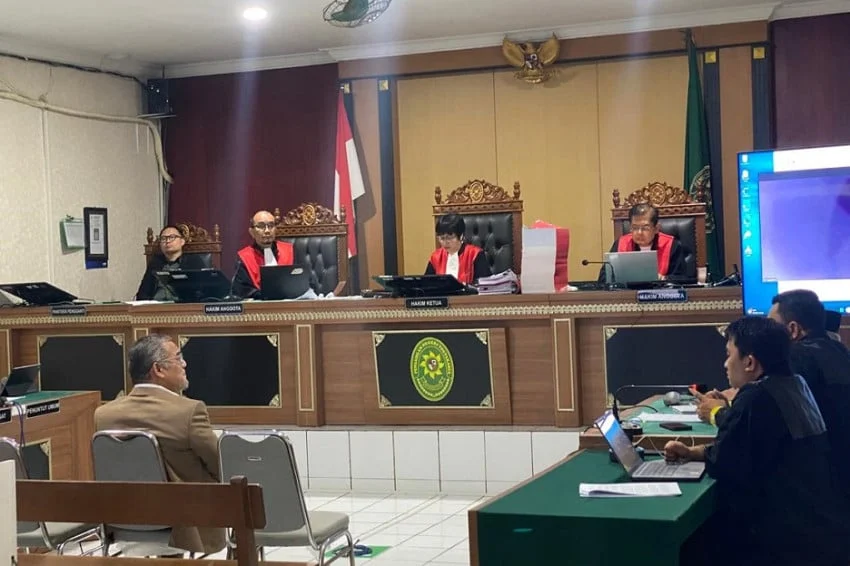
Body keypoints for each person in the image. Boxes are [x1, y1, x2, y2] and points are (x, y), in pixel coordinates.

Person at [665, 316, 849, 566]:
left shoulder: (756, 396)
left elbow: (724, 464)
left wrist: (708, 449)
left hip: (784, 542)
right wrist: (694, 452)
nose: (725, 364)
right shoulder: (795, 384)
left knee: (691, 545)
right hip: (821, 531)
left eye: (729, 354)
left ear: (749, 362)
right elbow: (753, 447)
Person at [696, 291, 850, 488]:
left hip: (817, 485)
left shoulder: (794, 360)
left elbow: (750, 437)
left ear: (792, 330)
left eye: (771, 325)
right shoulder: (839, 351)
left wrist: (717, 412)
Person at [94, 335, 225, 556]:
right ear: (159, 369)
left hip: (124, 523)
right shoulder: (189, 411)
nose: (184, 364)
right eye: (178, 358)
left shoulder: (103, 415)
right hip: (183, 529)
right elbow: (221, 465)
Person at [598, 203, 687, 282]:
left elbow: (683, 278)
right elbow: (604, 278)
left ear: (656, 228)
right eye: (635, 228)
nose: (639, 232)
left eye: (645, 228)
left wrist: (664, 278)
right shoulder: (620, 244)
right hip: (628, 294)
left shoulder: (671, 245)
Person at [231, 210, 294, 298]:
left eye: (271, 226)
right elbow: (241, 290)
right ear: (251, 232)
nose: (267, 231)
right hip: (259, 304)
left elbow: (302, 280)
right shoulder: (244, 257)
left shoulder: (290, 250)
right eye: (261, 226)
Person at [135, 226, 208, 300]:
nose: (167, 241)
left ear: (182, 241)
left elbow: (202, 291)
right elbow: (142, 293)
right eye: (163, 238)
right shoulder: (155, 263)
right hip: (155, 305)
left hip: (182, 305)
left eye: (172, 237)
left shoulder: (193, 261)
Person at [424, 214, 490, 284]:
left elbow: (485, 285)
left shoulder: (475, 254)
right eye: (442, 238)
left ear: (461, 236)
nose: (445, 242)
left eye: (449, 237)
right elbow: (426, 284)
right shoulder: (436, 257)